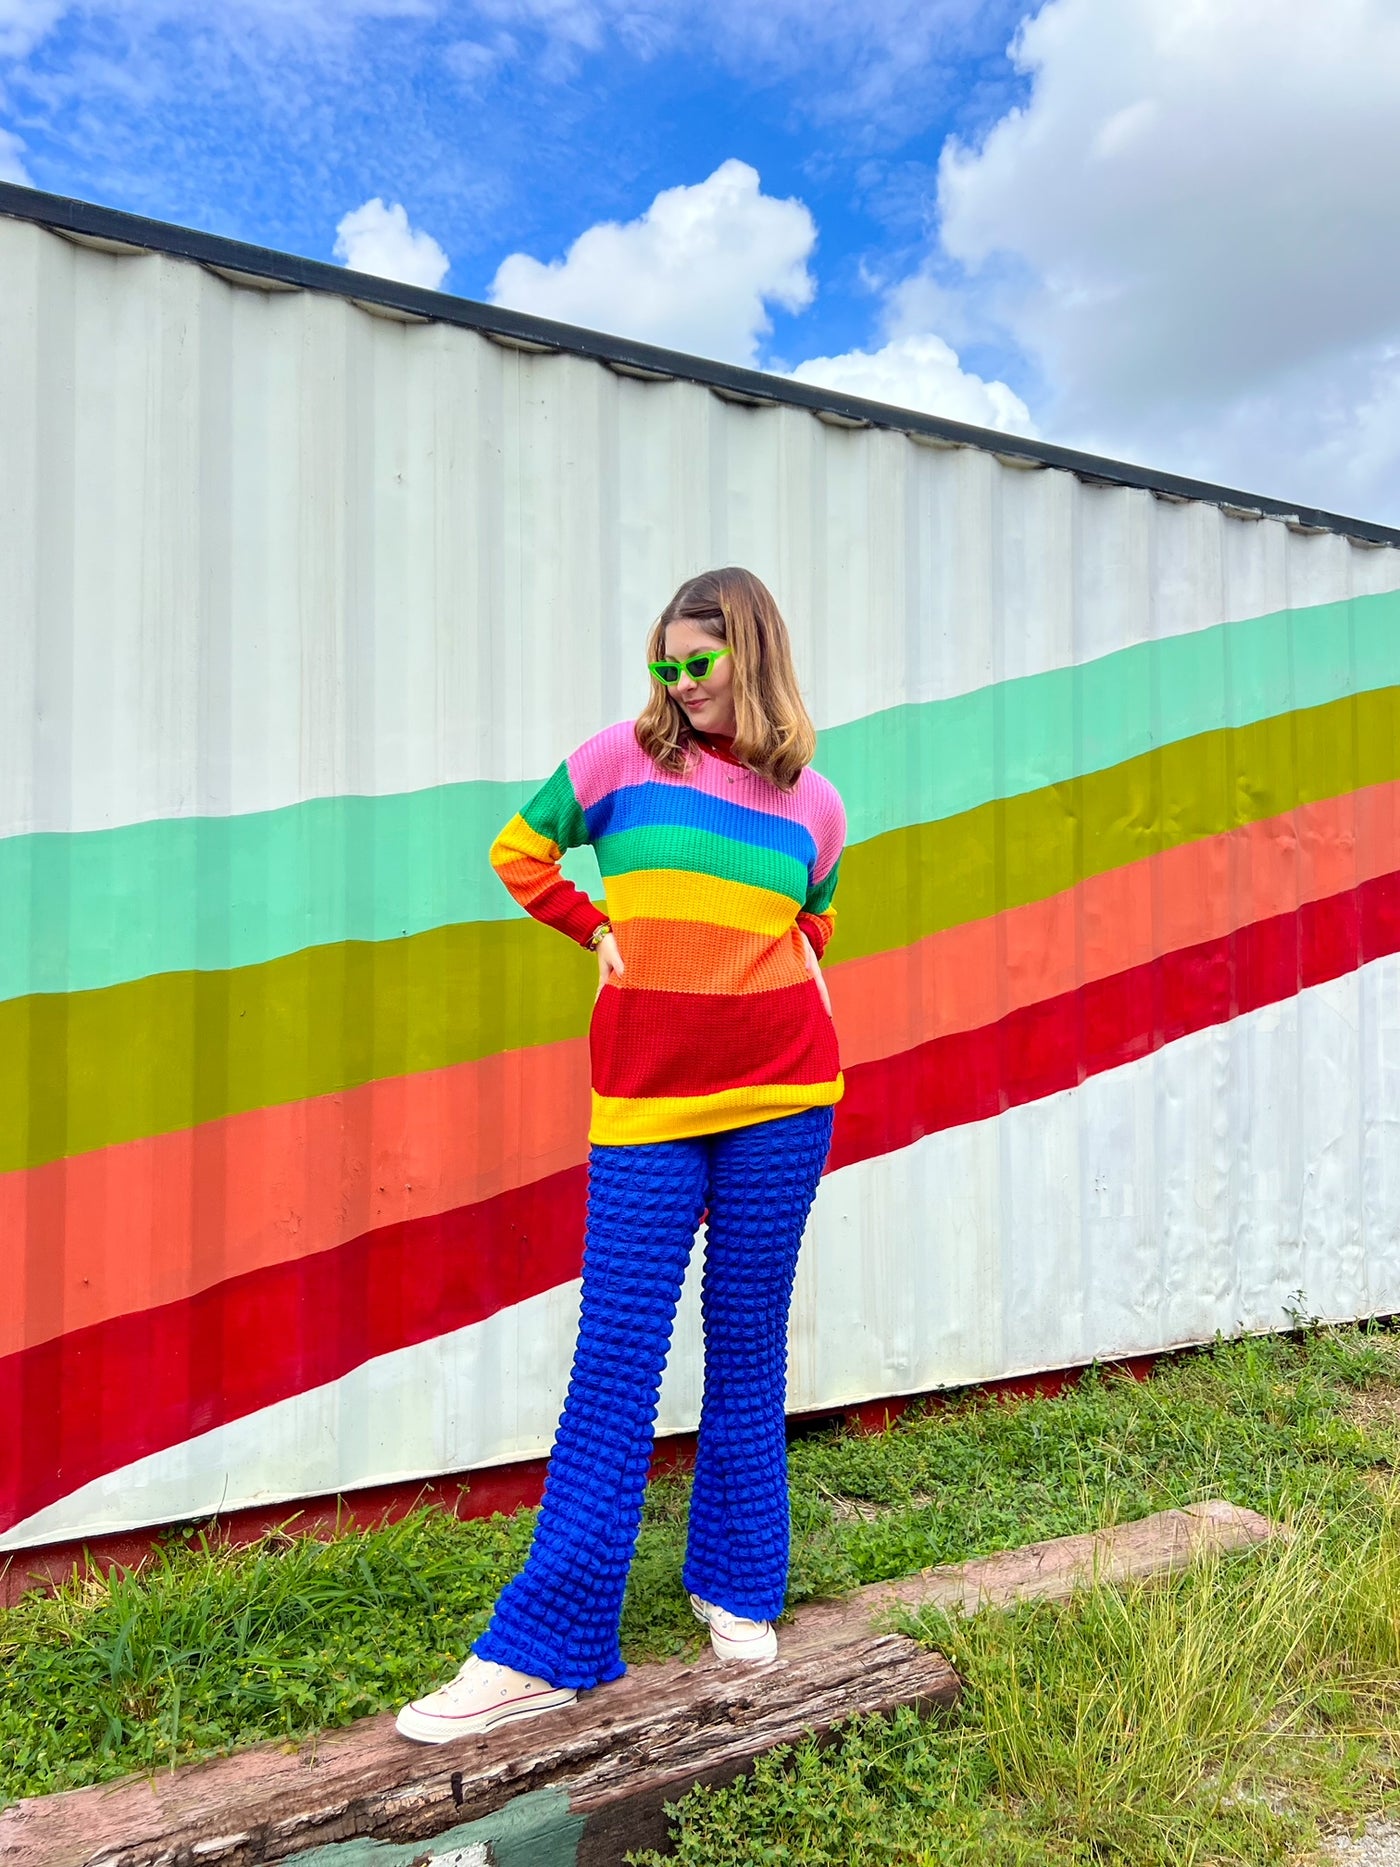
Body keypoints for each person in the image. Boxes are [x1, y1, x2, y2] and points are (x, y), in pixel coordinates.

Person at [395, 566, 846, 1744]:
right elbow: (518, 851)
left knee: (746, 1338)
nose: (678, 682)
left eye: (698, 662)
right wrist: (594, 926)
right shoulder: (618, 761)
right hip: (647, 1099)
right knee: (617, 1354)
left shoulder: (815, 804)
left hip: (786, 1096)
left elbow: (811, 923)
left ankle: (737, 1579)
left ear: (752, 656)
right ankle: (550, 1641)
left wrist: (778, 971)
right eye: (663, 663)